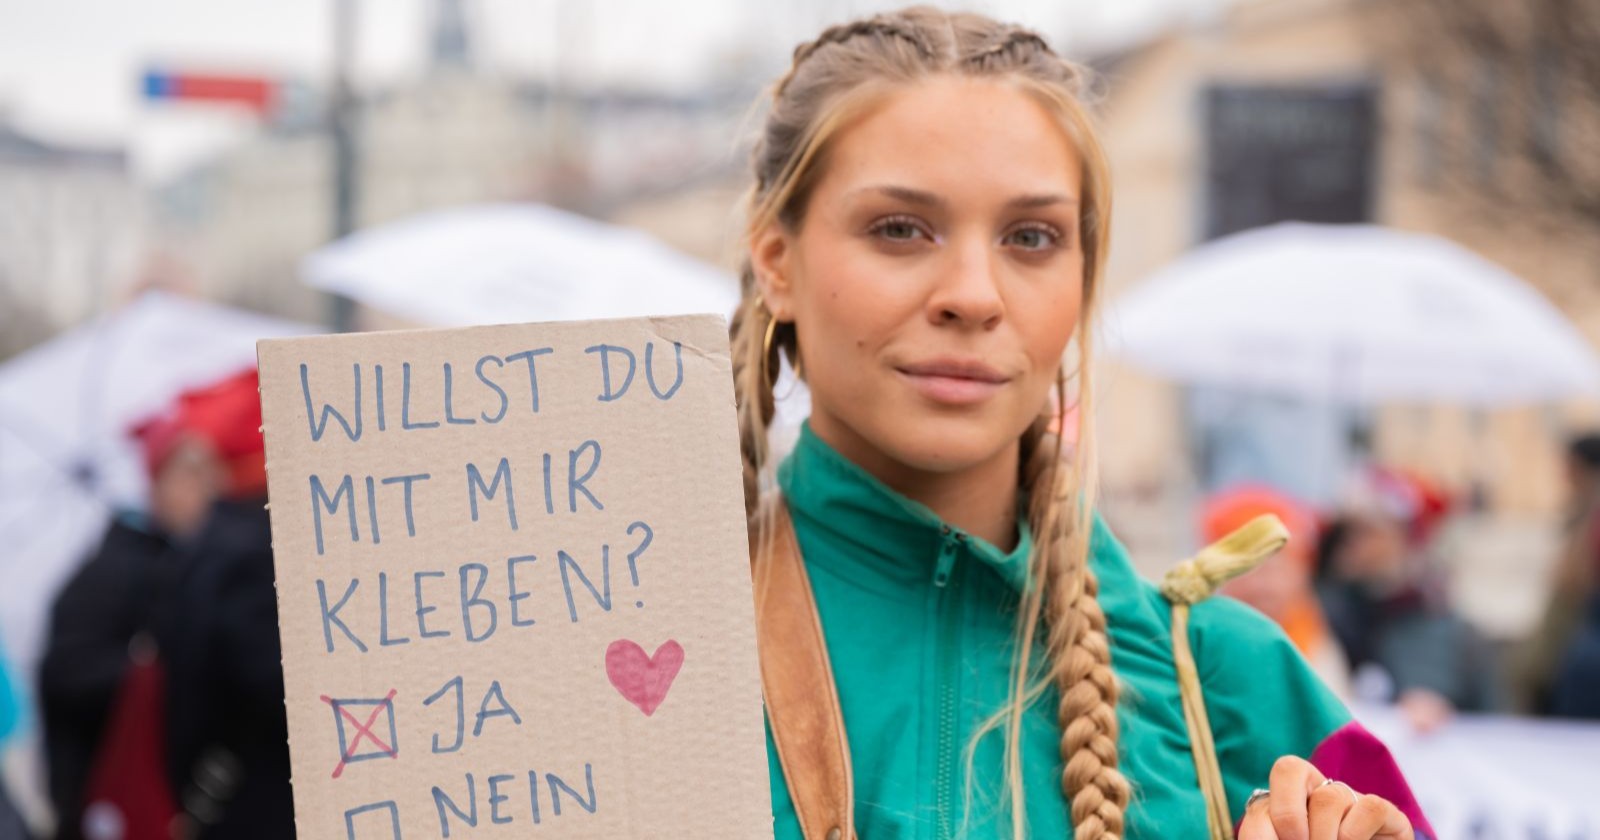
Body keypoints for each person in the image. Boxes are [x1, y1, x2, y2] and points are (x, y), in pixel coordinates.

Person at [735, 8, 1430, 838]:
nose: (974, 294)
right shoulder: (634, 648)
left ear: (1083, 277)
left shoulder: (1236, 689)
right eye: (898, 229)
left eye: (1030, 237)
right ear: (777, 261)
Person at [38, 409, 217, 840]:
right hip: (106, 802)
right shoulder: (114, 571)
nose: (207, 490)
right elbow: (67, 671)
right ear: (156, 483)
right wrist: (156, 673)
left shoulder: (180, 560)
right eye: (190, 475)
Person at [158, 370, 294, 840]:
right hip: (262, 800)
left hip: (234, 795)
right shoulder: (251, 553)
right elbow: (276, 685)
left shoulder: (217, 541)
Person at [1316, 469, 1501, 731]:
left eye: (1366, 533)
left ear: (1404, 539)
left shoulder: (1450, 631)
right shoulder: (1321, 613)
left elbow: (1492, 722)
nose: (1351, 544)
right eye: (1346, 533)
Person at [1202, 485, 1351, 698]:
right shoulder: (1205, 643)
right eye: (1252, 571)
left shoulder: (1313, 634)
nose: (1264, 587)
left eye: (1278, 569)